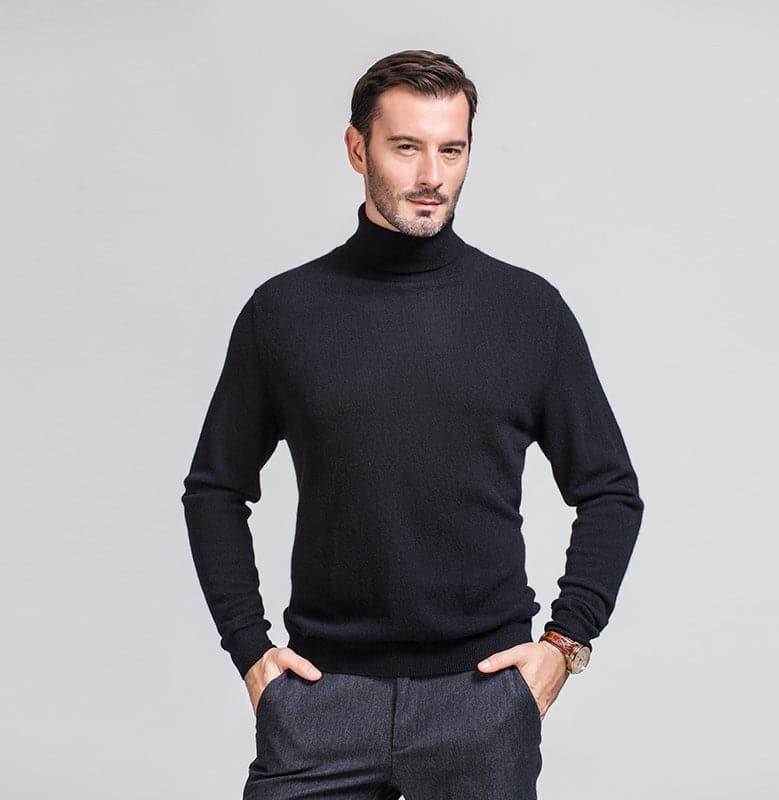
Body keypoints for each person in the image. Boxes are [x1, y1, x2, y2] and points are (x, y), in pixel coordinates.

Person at [181, 48, 644, 800]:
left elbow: (611, 491)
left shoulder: (528, 311)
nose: (432, 174)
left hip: (483, 699)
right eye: (406, 147)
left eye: (451, 150)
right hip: (321, 699)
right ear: (356, 149)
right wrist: (250, 650)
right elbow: (213, 489)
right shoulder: (283, 313)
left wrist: (565, 644)